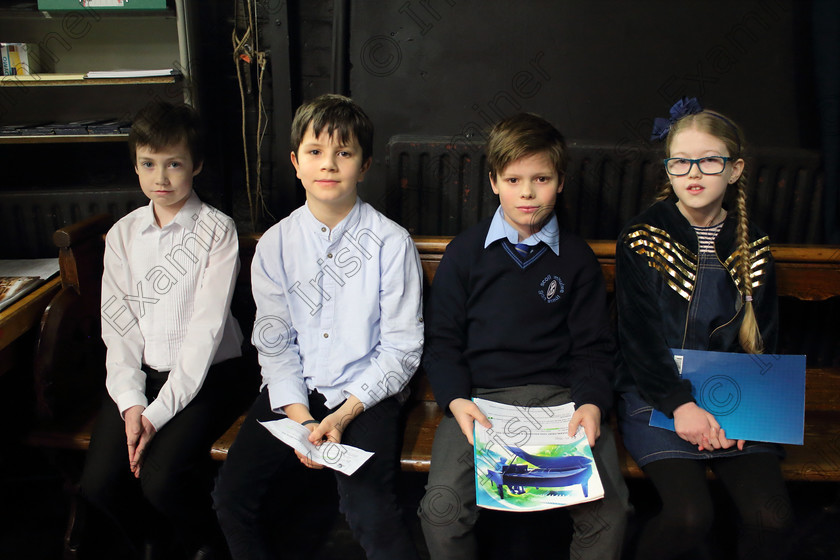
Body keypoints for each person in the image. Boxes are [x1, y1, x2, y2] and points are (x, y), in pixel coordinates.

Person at [212, 94, 424, 560]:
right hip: (295, 393)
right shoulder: (275, 244)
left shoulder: (390, 243)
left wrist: (343, 415)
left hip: (365, 393)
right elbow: (275, 344)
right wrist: (303, 419)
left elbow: (401, 350)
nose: (329, 165)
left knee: (369, 509)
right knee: (231, 498)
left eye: (344, 153)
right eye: (315, 152)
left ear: (364, 166)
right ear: (295, 162)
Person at [418, 112, 630, 560]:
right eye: (514, 179)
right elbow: (442, 343)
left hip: (562, 402)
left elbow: (594, 349)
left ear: (561, 181)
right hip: (480, 401)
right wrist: (457, 400)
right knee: (441, 511)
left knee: (610, 511)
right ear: (494, 182)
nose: (528, 193)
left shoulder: (577, 259)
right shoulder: (465, 254)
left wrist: (591, 403)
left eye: (541, 178)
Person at [616, 98, 794, 560]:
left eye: (709, 160)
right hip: (657, 395)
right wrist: (680, 406)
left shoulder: (752, 243)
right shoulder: (643, 236)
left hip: (735, 396)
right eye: (681, 161)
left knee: (770, 516)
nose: (694, 172)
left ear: (734, 170)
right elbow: (639, 340)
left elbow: (766, 337)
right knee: (691, 516)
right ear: (669, 170)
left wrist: (747, 413)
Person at [80, 101, 252, 559]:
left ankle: (208, 541)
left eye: (174, 163)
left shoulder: (217, 231)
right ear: (135, 165)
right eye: (148, 164)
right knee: (98, 485)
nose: (161, 177)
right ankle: (155, 540)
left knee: (161, 478)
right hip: (143, 376)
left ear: (196, 165)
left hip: (210, 376)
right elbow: (118, 330)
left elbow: (205, 333)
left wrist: (156, 417)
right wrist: (134, 404)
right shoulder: (123, 234)